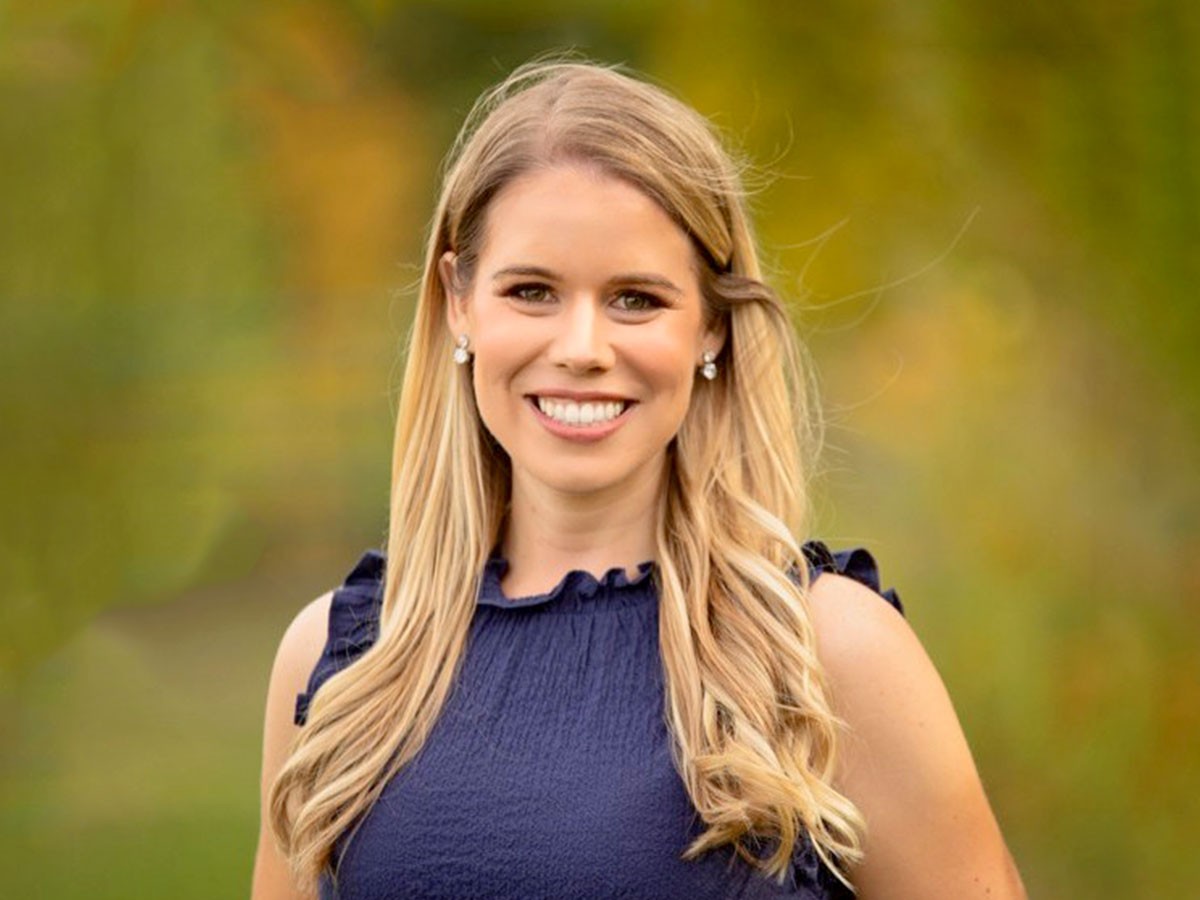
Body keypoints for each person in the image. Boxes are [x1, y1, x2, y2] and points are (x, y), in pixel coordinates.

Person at [251, 58, 1026, 900]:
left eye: (635, 300)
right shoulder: (342, 662)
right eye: (533, 291)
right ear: (458, 304)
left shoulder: (825, 655)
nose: (583, 347)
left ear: (712, 329)